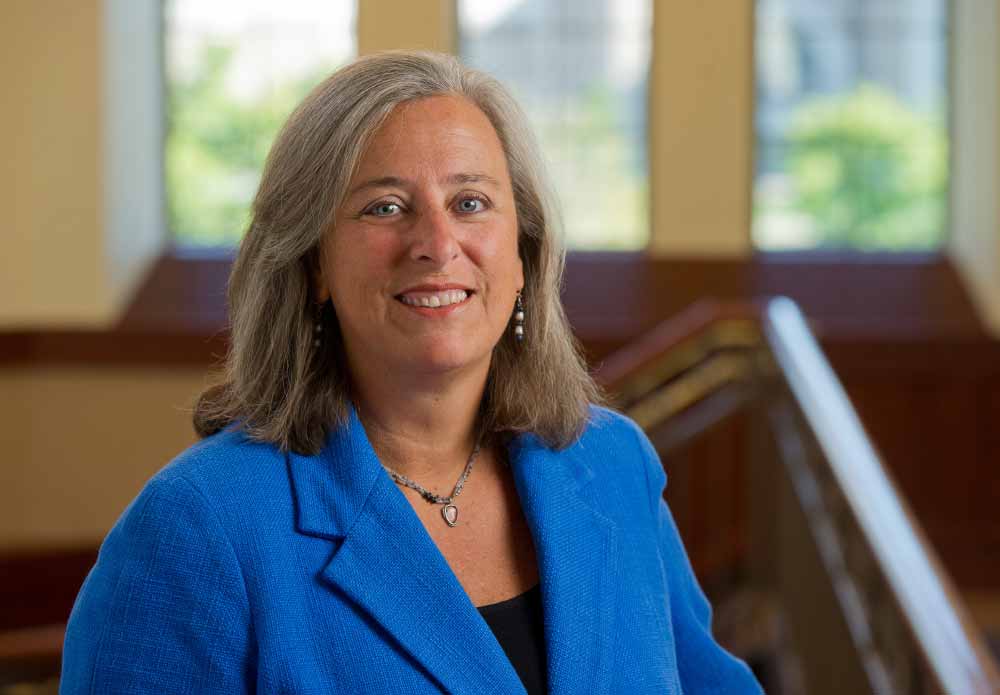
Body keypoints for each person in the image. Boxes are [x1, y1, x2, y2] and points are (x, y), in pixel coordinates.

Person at [60, 51, 764, 694]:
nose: (436, 243)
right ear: (313, 266)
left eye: (470, 202)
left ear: (522, 255)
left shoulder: (612, 465)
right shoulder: (199, 526)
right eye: (385, 207)